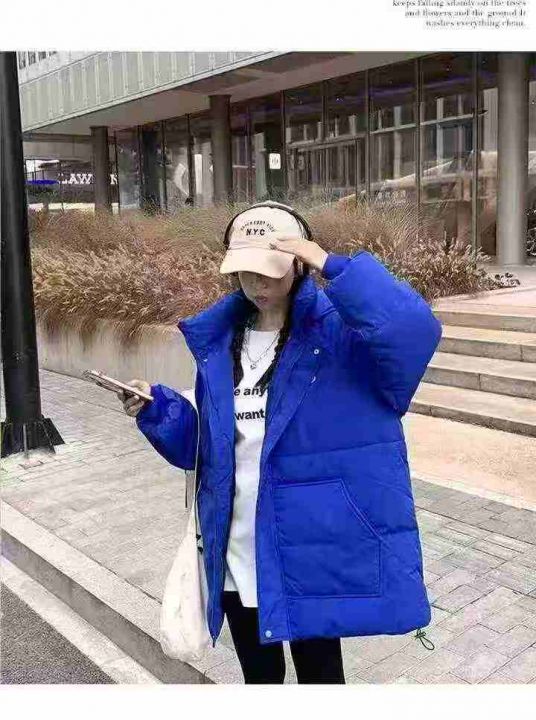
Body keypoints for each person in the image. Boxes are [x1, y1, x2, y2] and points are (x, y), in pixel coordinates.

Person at [119, 200, 443, 684]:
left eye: (268, 268)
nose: (256, 282)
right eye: (244, 270)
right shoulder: (220, 342)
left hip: (305, 549)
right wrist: (159, 411)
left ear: (297, 263)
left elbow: (415, 330)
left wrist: (335, 266)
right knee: (260, 679)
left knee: (320, 680)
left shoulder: (341, 336)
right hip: (234, 548)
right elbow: (207, 452)